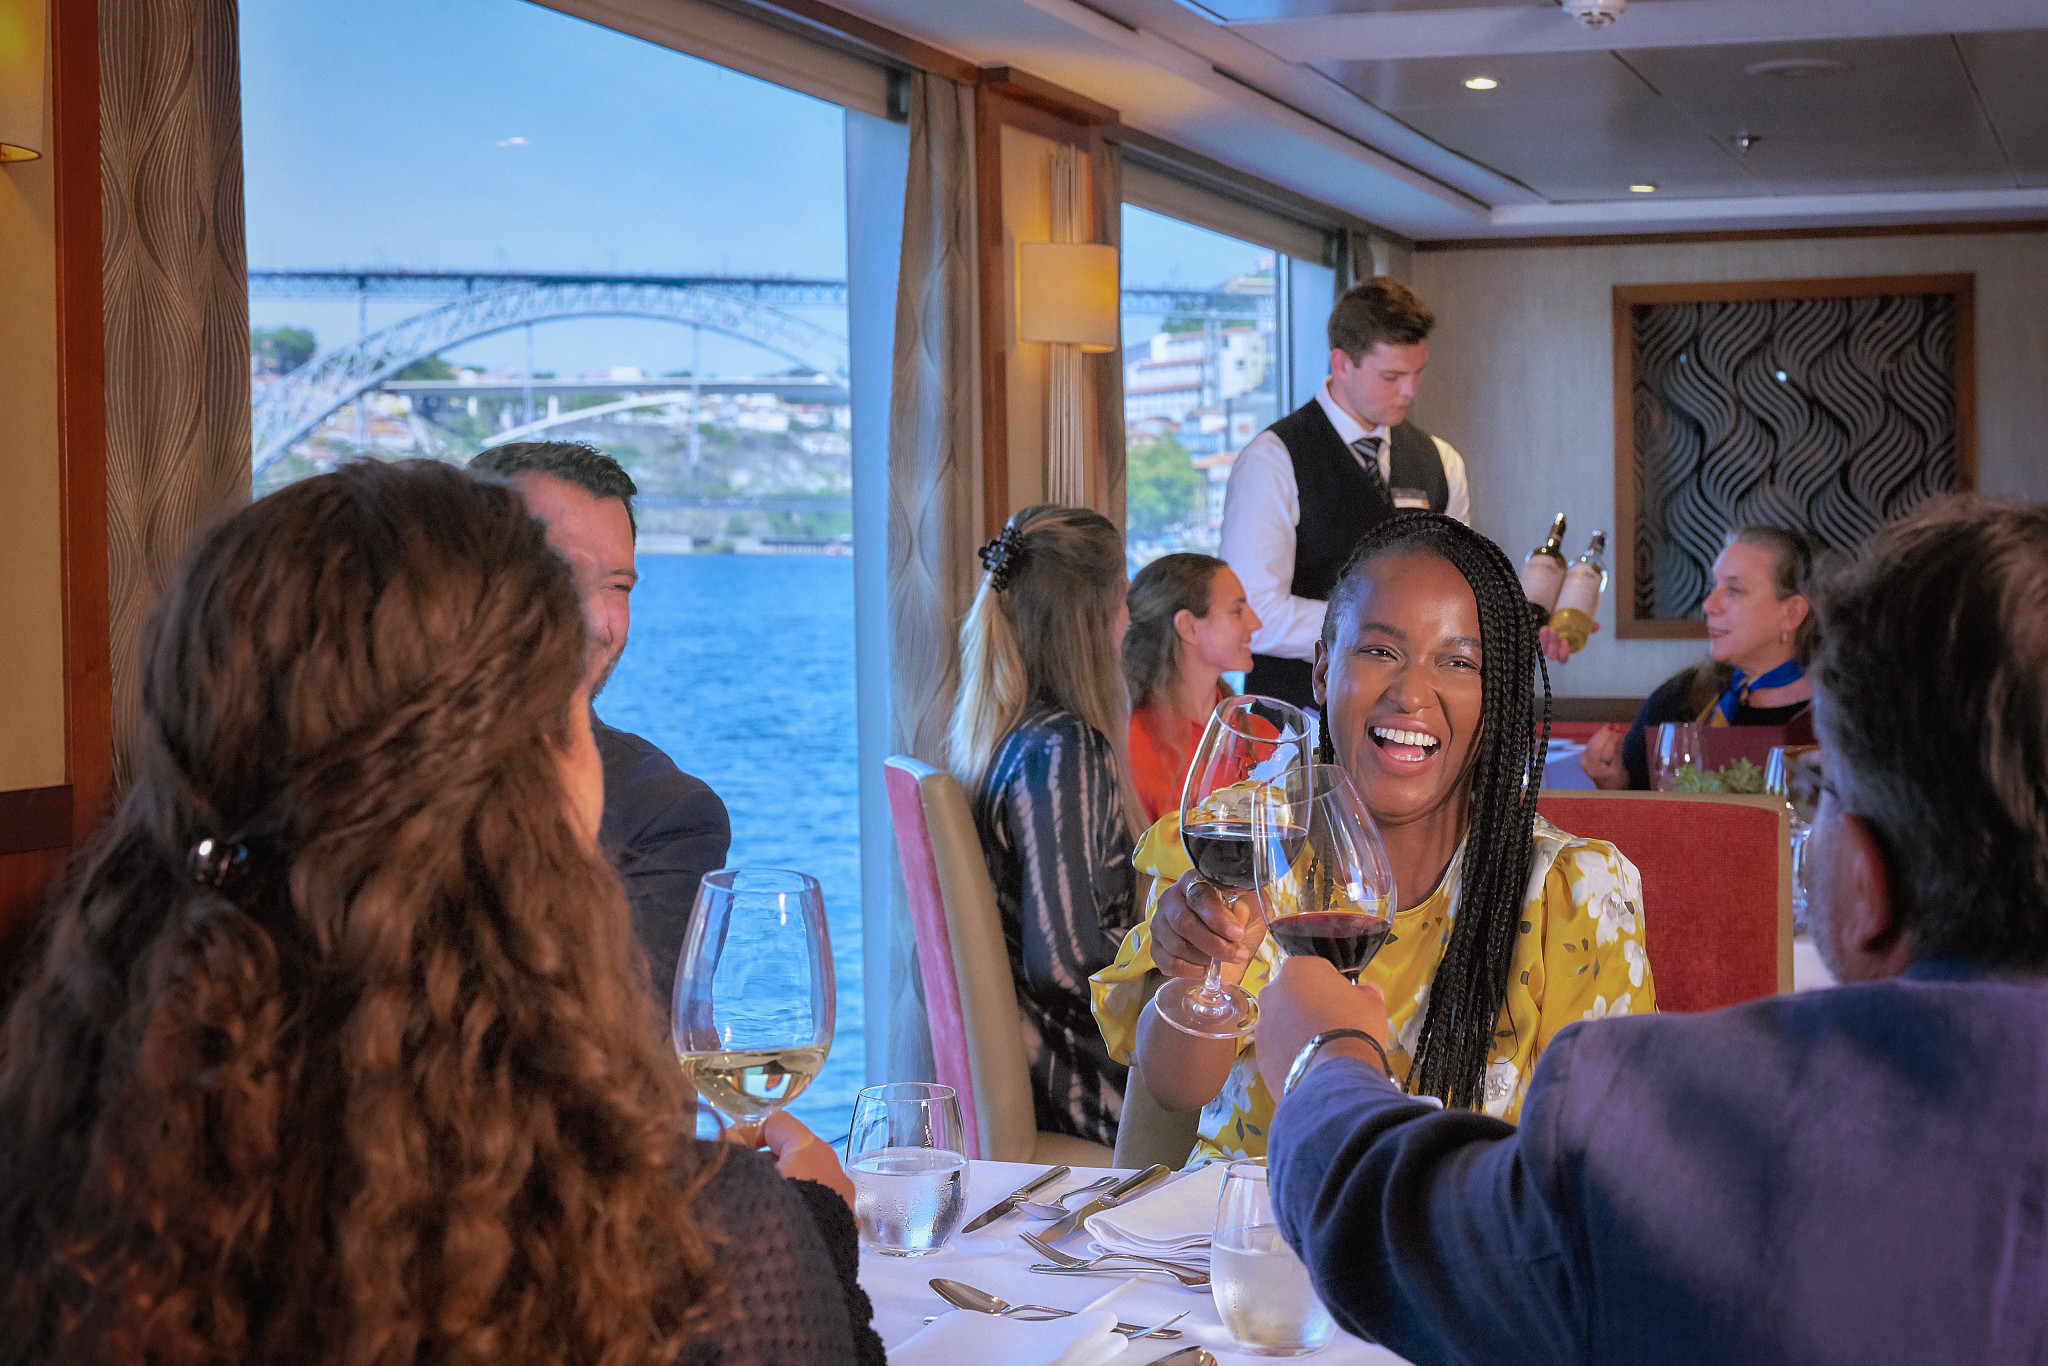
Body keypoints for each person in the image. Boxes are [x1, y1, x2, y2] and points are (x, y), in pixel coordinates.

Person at [0, 460, 880, 1366]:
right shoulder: (697, 1248)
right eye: (562, 707)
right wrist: (817, 1226)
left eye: (616, 586)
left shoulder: (66, 1173)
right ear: (544, 777)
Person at [1255, 496, 2048, 1365]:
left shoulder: (1703, 1139)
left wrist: (1327, 1055)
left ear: (1866, 885)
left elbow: (1408, 1232)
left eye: (1822, 798)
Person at [1094, 512, 1655, 1163]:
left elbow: (1598, 1173)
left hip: (1458, 1261)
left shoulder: (1573, 894)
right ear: (1323, 670)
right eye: (1380, 651)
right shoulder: (1250, 837)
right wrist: (1192, 974)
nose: (1412, 692)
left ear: (1497, 695)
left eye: (1457, 662)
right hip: (1244, 1251)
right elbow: (1172, 1088)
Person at [471, 441, 729, 1008]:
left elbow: (616, 1053)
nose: (595, 620)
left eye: (618, 586)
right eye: (560, 574)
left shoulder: (663, 818)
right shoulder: (353, 776)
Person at [949, 504, 1143, 1149]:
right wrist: (1182, 968)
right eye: (1122, 602)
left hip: (1051, 1077)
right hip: (1094, 1092)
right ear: (1094, 621)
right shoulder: (1062, 751)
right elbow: (1064, 966)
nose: (1127, 625)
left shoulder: (1005, 740)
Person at [1580, 524, 1816, 790]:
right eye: (1715, 585)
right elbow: (1639, 820)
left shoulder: (1837, 718)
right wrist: (1613, 785)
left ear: (1793, 613)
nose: (1709, 605)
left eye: (1734, 590)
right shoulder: (1678, 699)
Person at [1123, 553, 1261, 824]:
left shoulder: (1263, 736)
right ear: (1188, 627)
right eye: (1237, 611)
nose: (1255, 623)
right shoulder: (1133, 748)